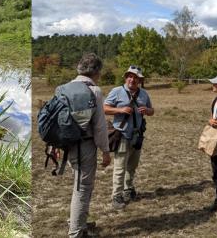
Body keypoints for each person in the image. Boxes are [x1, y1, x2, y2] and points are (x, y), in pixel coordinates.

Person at [65, 53, 110, 238]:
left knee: (79, 186)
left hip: (67, 144)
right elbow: (100, 126)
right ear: (96, 71)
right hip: (85, 146)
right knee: (83, 188)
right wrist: (106, 151)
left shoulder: (64, 88)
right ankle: (76, 232)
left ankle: (79, 221)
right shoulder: (95, 91)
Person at [104, 65, 154, 209]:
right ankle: (116, 196)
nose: (132, 79)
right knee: (120, 168)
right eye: (129, 76)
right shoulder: (117, 91)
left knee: (132, 166)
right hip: (122, 135)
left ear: (139, 80)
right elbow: (104, 108)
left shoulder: (144, 94)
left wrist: (148, 110)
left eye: (135, 77)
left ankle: (128, 189)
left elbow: (152, 111)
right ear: (126, 78)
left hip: (137, 136)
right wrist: (120, 109)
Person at [206, 74, 217, 212]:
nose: (213, 85)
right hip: (216, 143)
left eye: (215, 83)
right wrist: (211, 121)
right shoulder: (215, 100)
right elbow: (212, 117)